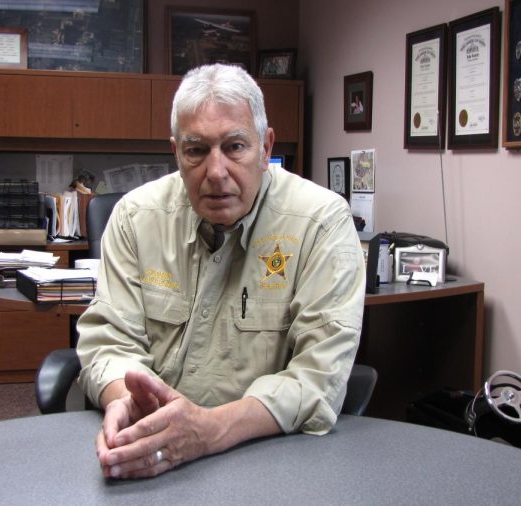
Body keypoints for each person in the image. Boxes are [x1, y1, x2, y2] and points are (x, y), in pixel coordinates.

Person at [75, 63, 365, 480]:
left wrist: (209, 432)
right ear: (176, 151)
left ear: (265, 148)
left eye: (235, 147)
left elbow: (317, 376)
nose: (215, 172)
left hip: (266, 459)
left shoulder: (322, 224)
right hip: (151, 449)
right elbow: (108, 340)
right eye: (196, 150)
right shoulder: (135, 219)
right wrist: (127, 397)